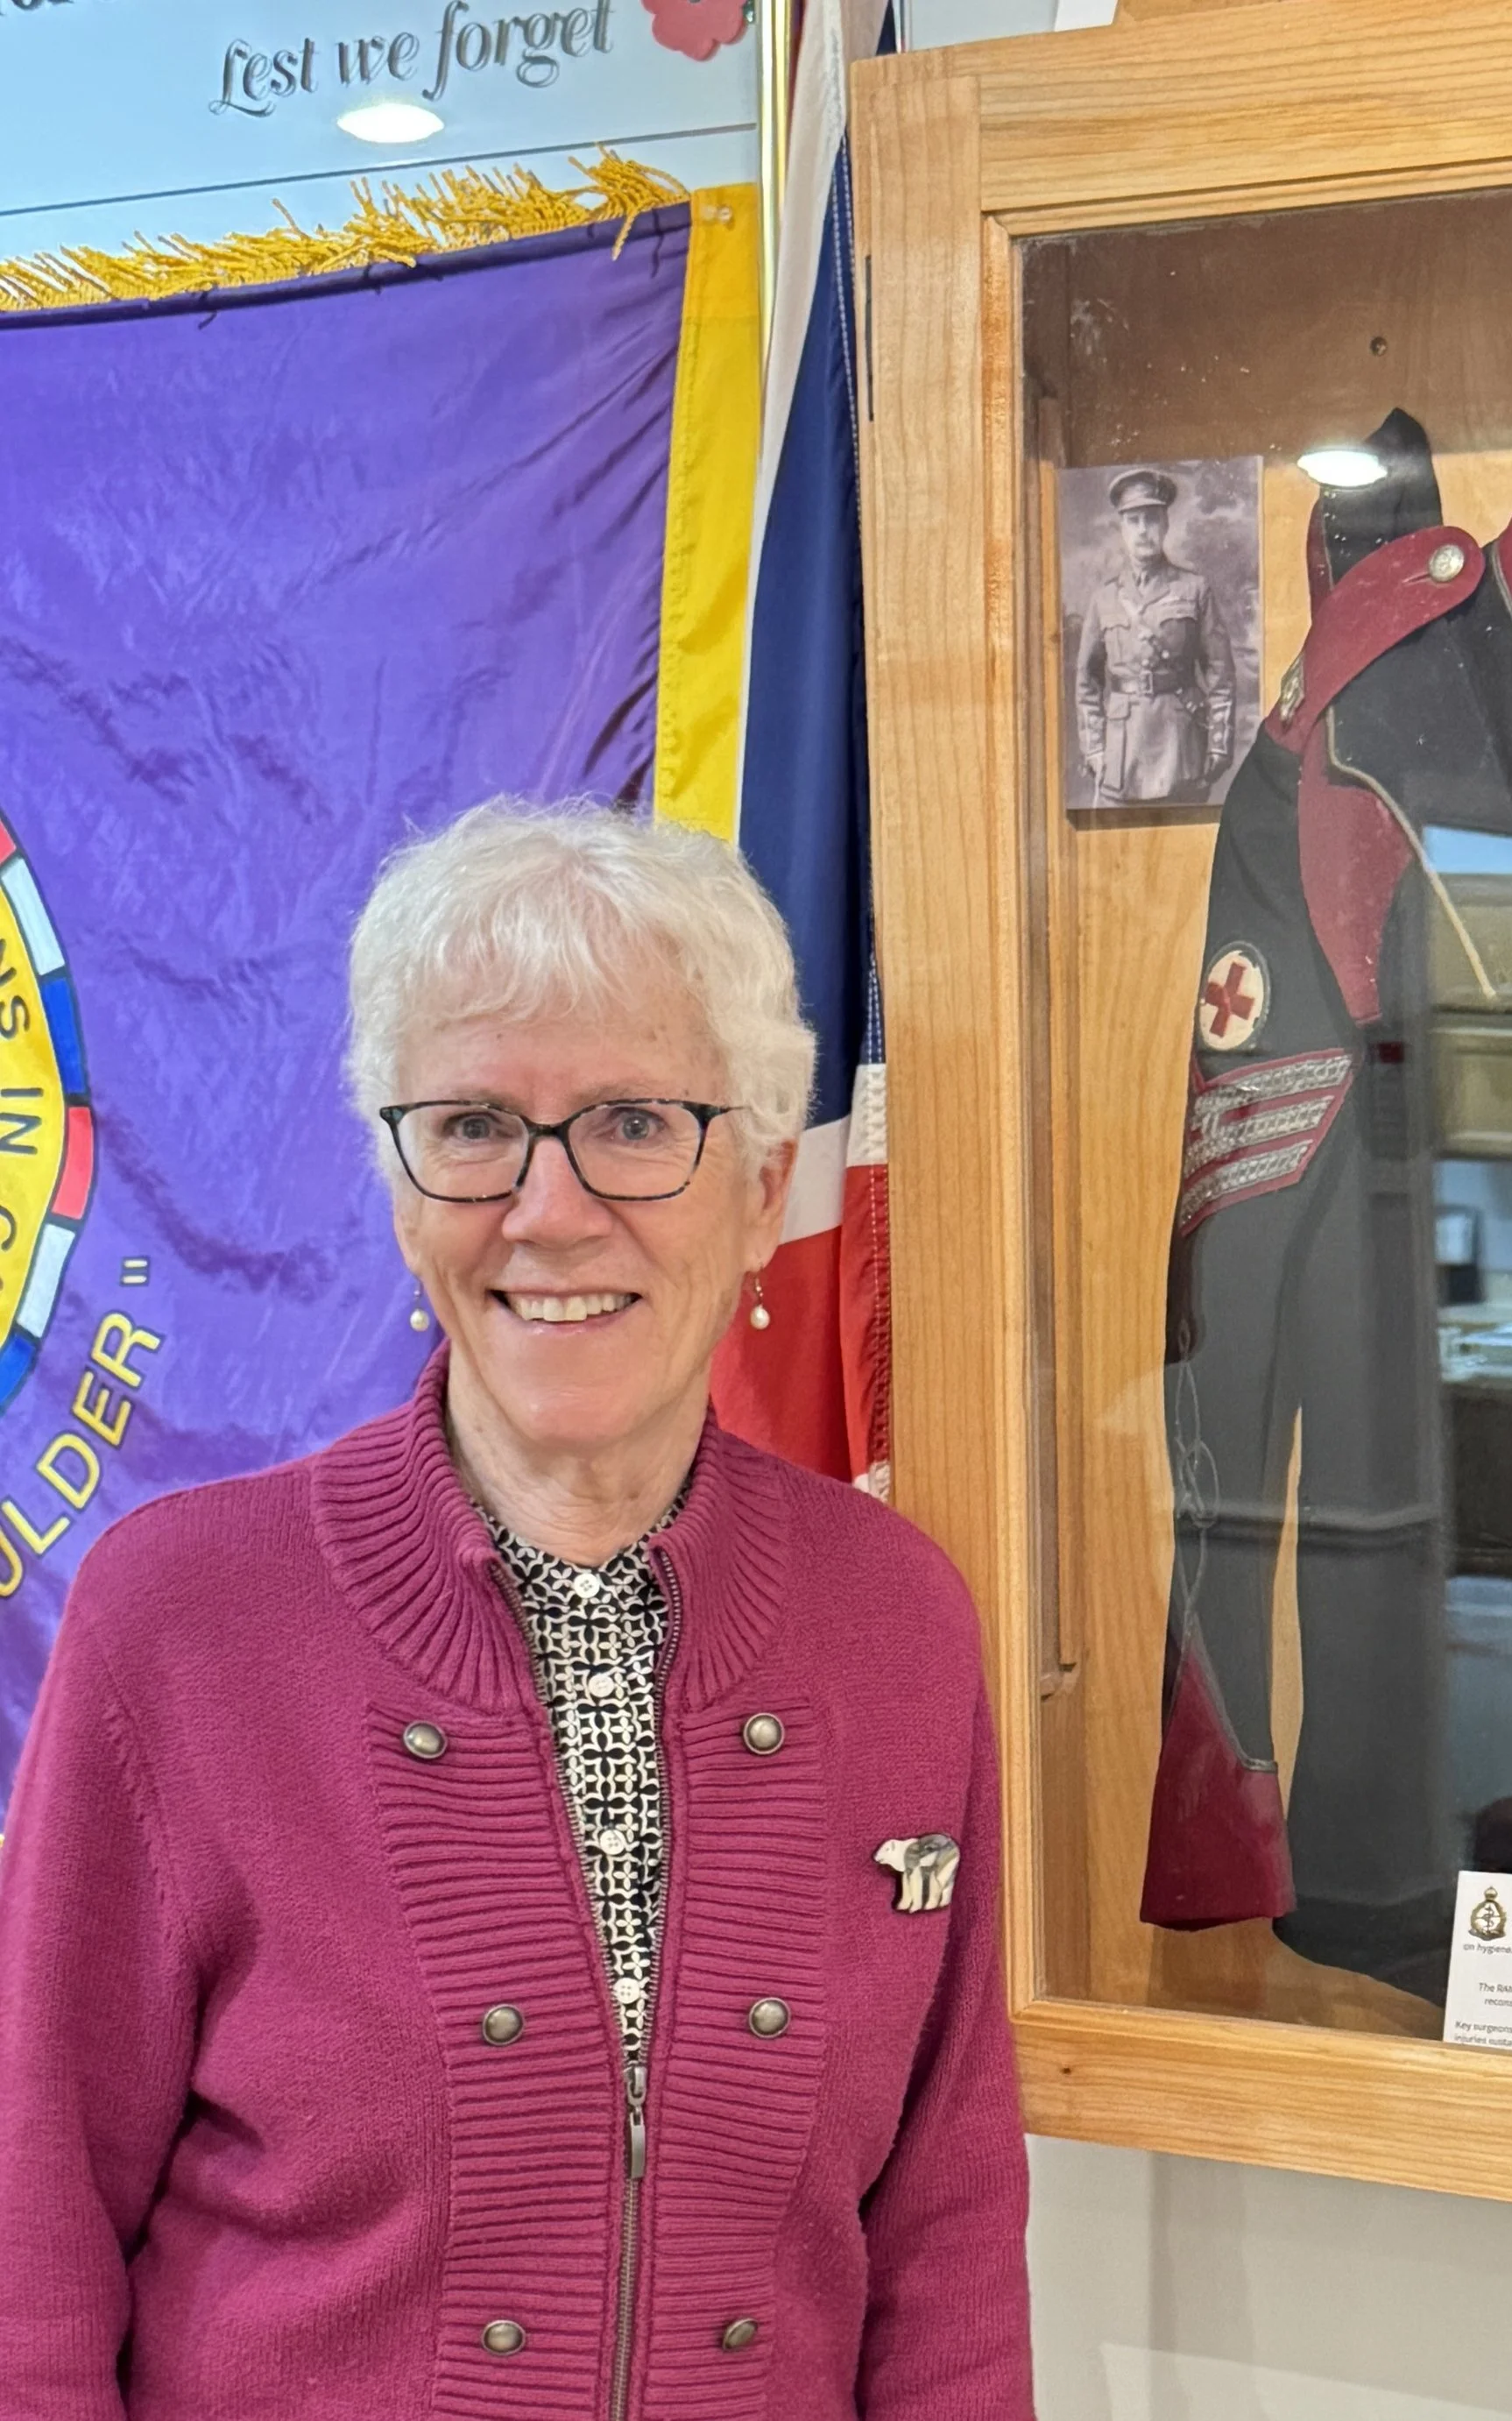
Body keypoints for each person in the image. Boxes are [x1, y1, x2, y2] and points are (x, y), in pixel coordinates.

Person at [0, 801, 1032, 2418]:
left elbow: (948, 2243)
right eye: (474, 1124)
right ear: (402, 1186)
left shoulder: (899, 1621)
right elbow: (25, 2249)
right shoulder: (179, 1627)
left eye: (634, 1120)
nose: (548, 1209)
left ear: (764, 1188)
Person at [1074, 467, 1236, 804]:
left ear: (1165, 524)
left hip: (1180, 750)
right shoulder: (1104, 599)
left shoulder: (1194, 589)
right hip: (1121, 755)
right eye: (1133, 521)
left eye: (1151, 519)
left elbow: (1221, 674)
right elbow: (1087, 682)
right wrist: (1095, 750)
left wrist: (1219, 742)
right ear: (1121, 529)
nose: (1143, 530)